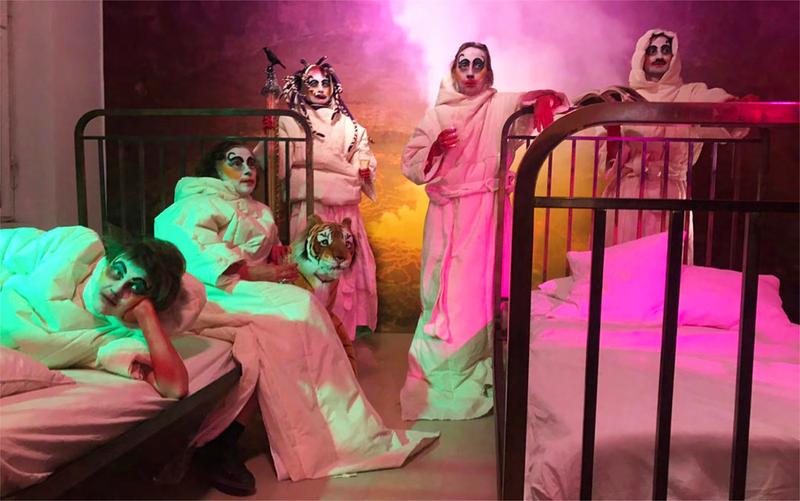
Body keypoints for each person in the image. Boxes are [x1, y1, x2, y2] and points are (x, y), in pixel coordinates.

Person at [154, 142, 436, 496]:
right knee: (295, 313)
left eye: (252, 163)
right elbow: (183, 245)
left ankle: (326, 430)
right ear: (214, 167)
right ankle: (222, 445)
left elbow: (267, 250)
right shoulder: (196, 200)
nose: (248, 169)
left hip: (248, 290)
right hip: (211, 290)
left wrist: (278, 258)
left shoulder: (259, 210)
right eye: (235, 162)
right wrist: (251, 272)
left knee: (300, 312)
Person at [399, 41, 569, 421]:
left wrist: (545, 99)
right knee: (442, 293)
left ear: (488, 71)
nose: (471, 71)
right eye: (465, 64)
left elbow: (546, 102)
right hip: (447, 217)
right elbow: (410, 163)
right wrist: (435, 151)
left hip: (488, 213)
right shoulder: (436, 116)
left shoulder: (500, 105)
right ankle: (440, 370)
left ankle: (479, 362)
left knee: (479, 293)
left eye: (479, 64)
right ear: (454, 70)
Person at [256, 57, 378, 341]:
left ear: (334, 87)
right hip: (311, 208)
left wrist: (364, 168)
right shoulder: (291, 122)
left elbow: (364, 159)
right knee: (309, 269)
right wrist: (272, 138)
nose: (320, 88)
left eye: (326, 82)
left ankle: (343, 334)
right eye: (312, 83)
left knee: (344, 272)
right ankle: (309, 333)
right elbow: (276, 163)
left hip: (345, 210)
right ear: (302, 87)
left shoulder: (352, 127)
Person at [601, 29, 754, 254]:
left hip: (670, 192)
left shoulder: (689, 93)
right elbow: (607, 163)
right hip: (627, 194)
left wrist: (734, 106)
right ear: (641, 56)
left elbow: (714, 101)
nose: (658, 56)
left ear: (674, 57)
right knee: (624, 259)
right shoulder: (622, 97)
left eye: (665, 50)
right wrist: (612, 129)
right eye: (652, 50)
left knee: (666, 262)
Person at [0, 226, 189, 399]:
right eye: (117, 272)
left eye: (135, 287)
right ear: (109, 262)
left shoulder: (119, 336)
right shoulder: (80, 244)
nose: (116, 289)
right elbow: (10, 250)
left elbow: (174, 388)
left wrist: (147, 317)